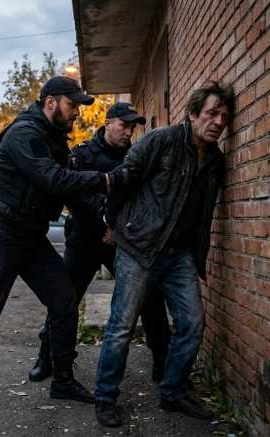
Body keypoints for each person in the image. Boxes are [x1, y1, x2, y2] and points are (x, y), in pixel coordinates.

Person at [0, 76, 108, 425]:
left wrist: (104, 216)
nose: (76, 112)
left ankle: (62, 379)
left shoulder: (54, 140)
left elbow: (68, 192)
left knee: (64, 301)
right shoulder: (24, 134)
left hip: (31, 237)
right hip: (2, 235)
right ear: (51, 102)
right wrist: (106, 179)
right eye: (72, 104)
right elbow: (53, 180)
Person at [93, 82, 233, 427]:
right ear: (193, 114)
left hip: (178, 255)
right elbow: (122, 179)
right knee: (121, 327)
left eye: (224, 117)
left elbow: (203, 212)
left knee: (192, 322)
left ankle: (173, 392)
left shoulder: (215, 160)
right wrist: (113, 224)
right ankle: (105, 397)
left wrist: (199, 256)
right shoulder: (161, 140)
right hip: (138, 249)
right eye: (212, 113)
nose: (218, 122)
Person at [28, 103, 172, 387]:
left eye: (133, 127)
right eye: (124, 125)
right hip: (84, 239)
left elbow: (140, 196)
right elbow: (75, 195)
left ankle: (161, 363)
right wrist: (103, 222)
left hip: (123, 241)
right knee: (65, 301)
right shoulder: (82, 155)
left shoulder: (135, 155)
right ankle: (48, 358)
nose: (128, 132)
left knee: (149, 297)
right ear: (108, 123)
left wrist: (116, 227)